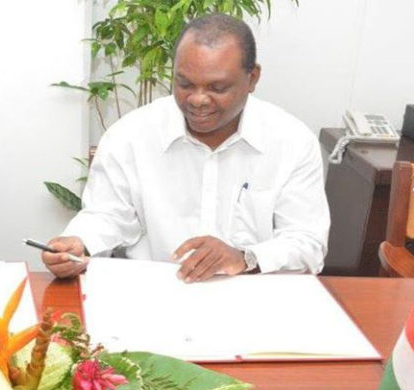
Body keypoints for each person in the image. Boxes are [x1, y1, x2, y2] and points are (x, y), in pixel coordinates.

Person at [42, 13, 329, 283]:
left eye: (217, 88)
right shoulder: (129, 136)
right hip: (151, 293)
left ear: (252, 78)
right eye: (185, 84)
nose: (197, 99)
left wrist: (245, 258)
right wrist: (79, 243)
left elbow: (308, 244)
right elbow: (107, 215)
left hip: (251, 295)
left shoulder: (291, 142)